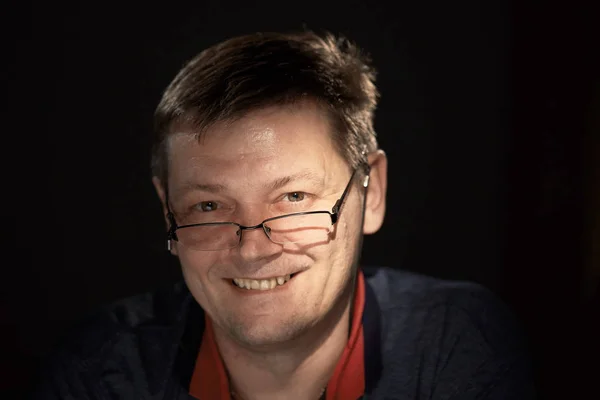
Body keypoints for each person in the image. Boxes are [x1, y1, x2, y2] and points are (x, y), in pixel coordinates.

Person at [33, 30, 536, 399]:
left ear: (372, 192)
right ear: (168, 210)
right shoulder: (101, 370)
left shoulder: (458, 344)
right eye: (209, 206)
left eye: (293, 198)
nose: (252, 248)